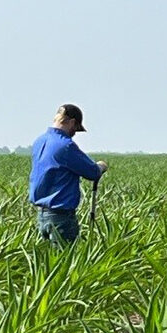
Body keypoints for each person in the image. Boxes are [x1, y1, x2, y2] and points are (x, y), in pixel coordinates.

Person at [29, 104, 108, 245]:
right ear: (71, 122)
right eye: (76, 128)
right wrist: (101, 167)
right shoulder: (65, 146)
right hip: (61, 218)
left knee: (50, 262)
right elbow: (92, 172)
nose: (74, 133)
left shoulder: (39, 142)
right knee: (67, 261)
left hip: (42, 215)